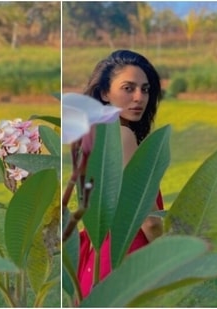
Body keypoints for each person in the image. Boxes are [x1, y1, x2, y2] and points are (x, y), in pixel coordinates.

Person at [77, 50, 164, 299]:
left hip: (98, 261)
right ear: (105, 92)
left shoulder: (93, 136)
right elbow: (149, 220)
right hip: (129, 259)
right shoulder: (122, 136)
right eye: (128, 88)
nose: (139, 98)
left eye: (145, 89)